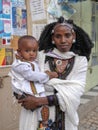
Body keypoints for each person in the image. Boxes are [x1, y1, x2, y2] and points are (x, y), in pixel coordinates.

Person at [18, 17, 94, 130]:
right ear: (53, 38)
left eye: (67, 35)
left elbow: (75, 92)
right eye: (58, 36)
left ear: (74, 37)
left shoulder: (80, 61)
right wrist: (23, 97)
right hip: (38, 117)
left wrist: (38, 100)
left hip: (65, 118)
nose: (63, 40)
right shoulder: (40, 56)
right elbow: (23, 76)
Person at [9, 35, 58, 130]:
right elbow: (31, 75)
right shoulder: (20, 64)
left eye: (34, 51)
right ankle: (43, 123)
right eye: (27, 51)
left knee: (42, 110)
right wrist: (48, 76)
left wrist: (44, 73)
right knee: (33, 113)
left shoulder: (32, 62)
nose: (31, 54)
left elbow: (37, 72)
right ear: (19, 52)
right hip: (28, 93)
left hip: (36, 92)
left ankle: (43, 123)